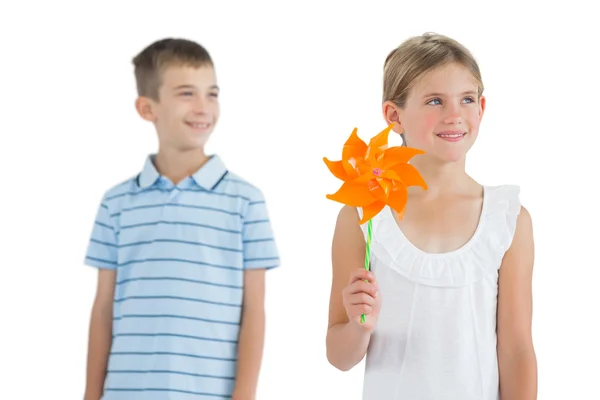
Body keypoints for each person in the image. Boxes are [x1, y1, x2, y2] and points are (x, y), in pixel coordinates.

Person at [326, 33, 537, 399]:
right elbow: (339, 356)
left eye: (466, 99)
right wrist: (359, 327)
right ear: (394, 116)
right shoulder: (363, 216)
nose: (454, 115)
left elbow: (517, 349)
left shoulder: (508, 219)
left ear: (482, 108)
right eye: (435, 101)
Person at [83, 38, 280, 400]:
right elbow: (103, 309)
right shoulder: (116, 203)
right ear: (147, 108)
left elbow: (254, 311)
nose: (203, 107)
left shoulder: (246, 202)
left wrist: (245, 394)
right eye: (187, 93)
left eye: (212, 93)